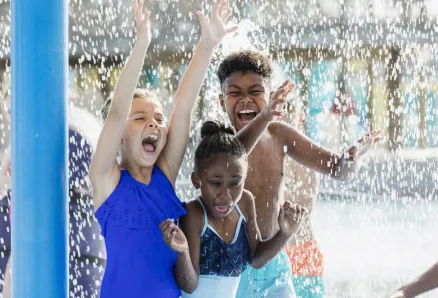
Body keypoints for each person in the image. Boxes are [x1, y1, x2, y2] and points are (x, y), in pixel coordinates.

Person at [89, 0, 237, 297]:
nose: (155, 125)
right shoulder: (106, 181)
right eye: (141, 118)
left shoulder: (164, 177)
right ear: (118, 135)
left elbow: (182, 108)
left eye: (158, 119)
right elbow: (118, 110)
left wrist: (207, 45)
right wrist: (141, 44)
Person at [215, 50, 382, 297]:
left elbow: (336, 169)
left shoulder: (279, 135)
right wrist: (264, 118)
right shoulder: (215, 141)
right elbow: (231, 160)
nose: (246, 100)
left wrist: (351, 159)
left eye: (255, 92)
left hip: (274, 262)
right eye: (235, 93)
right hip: (230, 266)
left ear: (270, 96)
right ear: (221, 102)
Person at [0, 77, 106, 298]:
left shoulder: (62, 130)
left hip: (50, 221)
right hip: (24, 223)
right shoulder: (18, 144)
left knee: (42, 272)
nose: (12, 112)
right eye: (9, 107)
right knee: (13, 279)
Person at [158, 119, 308, 298]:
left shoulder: (244, 201)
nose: (226, 194)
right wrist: (183, 252)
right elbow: (190, 285)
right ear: (197, 181)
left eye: (235, 183)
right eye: (215, 183)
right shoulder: (195, 213)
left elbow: (256, 260)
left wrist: (285, 234)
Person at [283, 101, 325, 297]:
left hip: (302, 252)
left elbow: (304, 206)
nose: (284, 116)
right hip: (277, 252)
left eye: (289, 110)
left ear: (299, 116)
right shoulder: (267, 151)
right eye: (281, 110)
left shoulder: (307, 154)